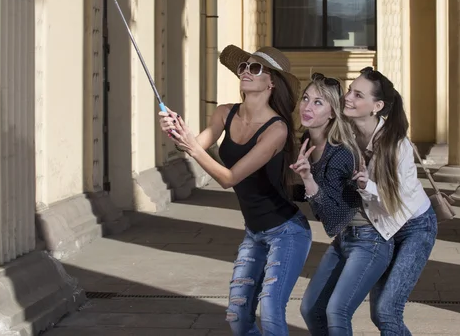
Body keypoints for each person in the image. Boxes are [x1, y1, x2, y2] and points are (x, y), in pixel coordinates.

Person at [159, 45, 312, 336]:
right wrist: (176, 130)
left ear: (271, 82)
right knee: (238, 317)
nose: (244, 72)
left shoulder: (276, 130)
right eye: (243, 67)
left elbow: (229, 178)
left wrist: (191, 146)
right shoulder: (225, 114)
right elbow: (194, 144)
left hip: (287, 233)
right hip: (254, 231)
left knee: (270, 313)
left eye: (254, 68)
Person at [292, 73, 394, 336]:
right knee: (311, 308)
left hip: (370, 240)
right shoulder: (307, 143)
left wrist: (308, 180)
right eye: (306, 98)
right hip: (345, 239)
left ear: (332, 113)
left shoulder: (340, 153)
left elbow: (333, 218)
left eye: (318, 103)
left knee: (336, 311)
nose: (307, 107)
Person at [344, 66, 437, 336]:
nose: (348, 97)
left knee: (387, 310)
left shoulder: (398, 146)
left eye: (358, 94)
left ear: (377, 106)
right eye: (350, 90)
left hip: (415, 227)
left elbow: (398, 204)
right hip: (382, 229)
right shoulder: (347, 135)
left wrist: (366, 185)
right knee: (379, 312)